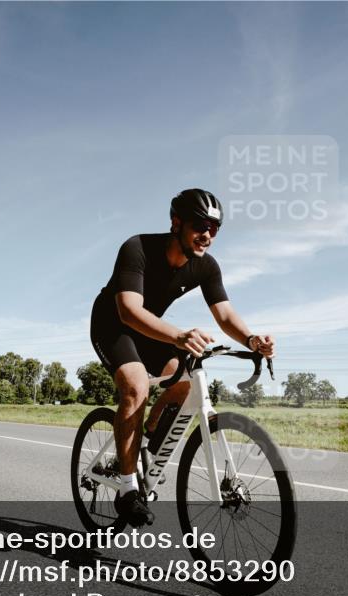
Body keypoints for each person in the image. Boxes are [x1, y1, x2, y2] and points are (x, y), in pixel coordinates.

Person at [90, 188, 275, 526]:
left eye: (215, 229)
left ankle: (141, 442)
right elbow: (129, 312)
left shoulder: (205, 266)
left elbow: (224, 315)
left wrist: (251, 339)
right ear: (177, 222)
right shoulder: (138, 248)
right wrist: (178, 335)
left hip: (152, 330)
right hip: (113, 324)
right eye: (200, 225)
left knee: (184, 385)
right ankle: (127, 490)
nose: (207, 235)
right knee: (136, 386)